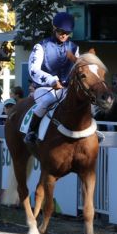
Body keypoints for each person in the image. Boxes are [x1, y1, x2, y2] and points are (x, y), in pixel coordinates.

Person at [24, 11, 79, 143]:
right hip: (44, 88)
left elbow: (77, 69)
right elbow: (33, 70)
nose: (64, 35)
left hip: (66, 89)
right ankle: (31, 130)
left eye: (67, 32)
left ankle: (89, 132)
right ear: (54, 28)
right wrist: (51, 80)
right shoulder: (40, 46)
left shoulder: (74, 48)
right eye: (61, 31)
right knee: (48, 100)